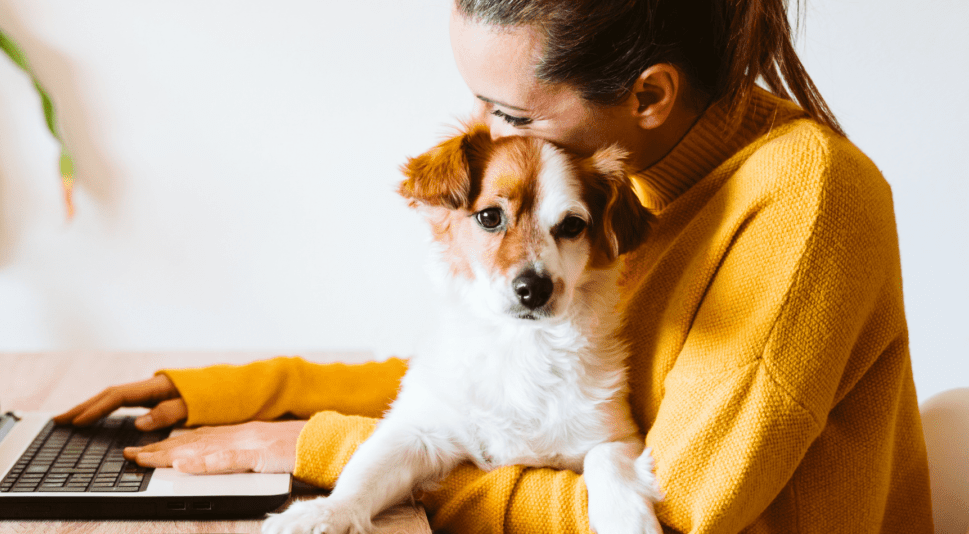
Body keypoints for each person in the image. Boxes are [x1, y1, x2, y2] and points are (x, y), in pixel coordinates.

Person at [54, 0, 934, 531]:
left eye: (509, 109)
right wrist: (242, 394)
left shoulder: (804, 198)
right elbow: (495, 388)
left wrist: (325, 453)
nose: (488, 138)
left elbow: (681, 514)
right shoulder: (626, 192)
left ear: (651, 95)